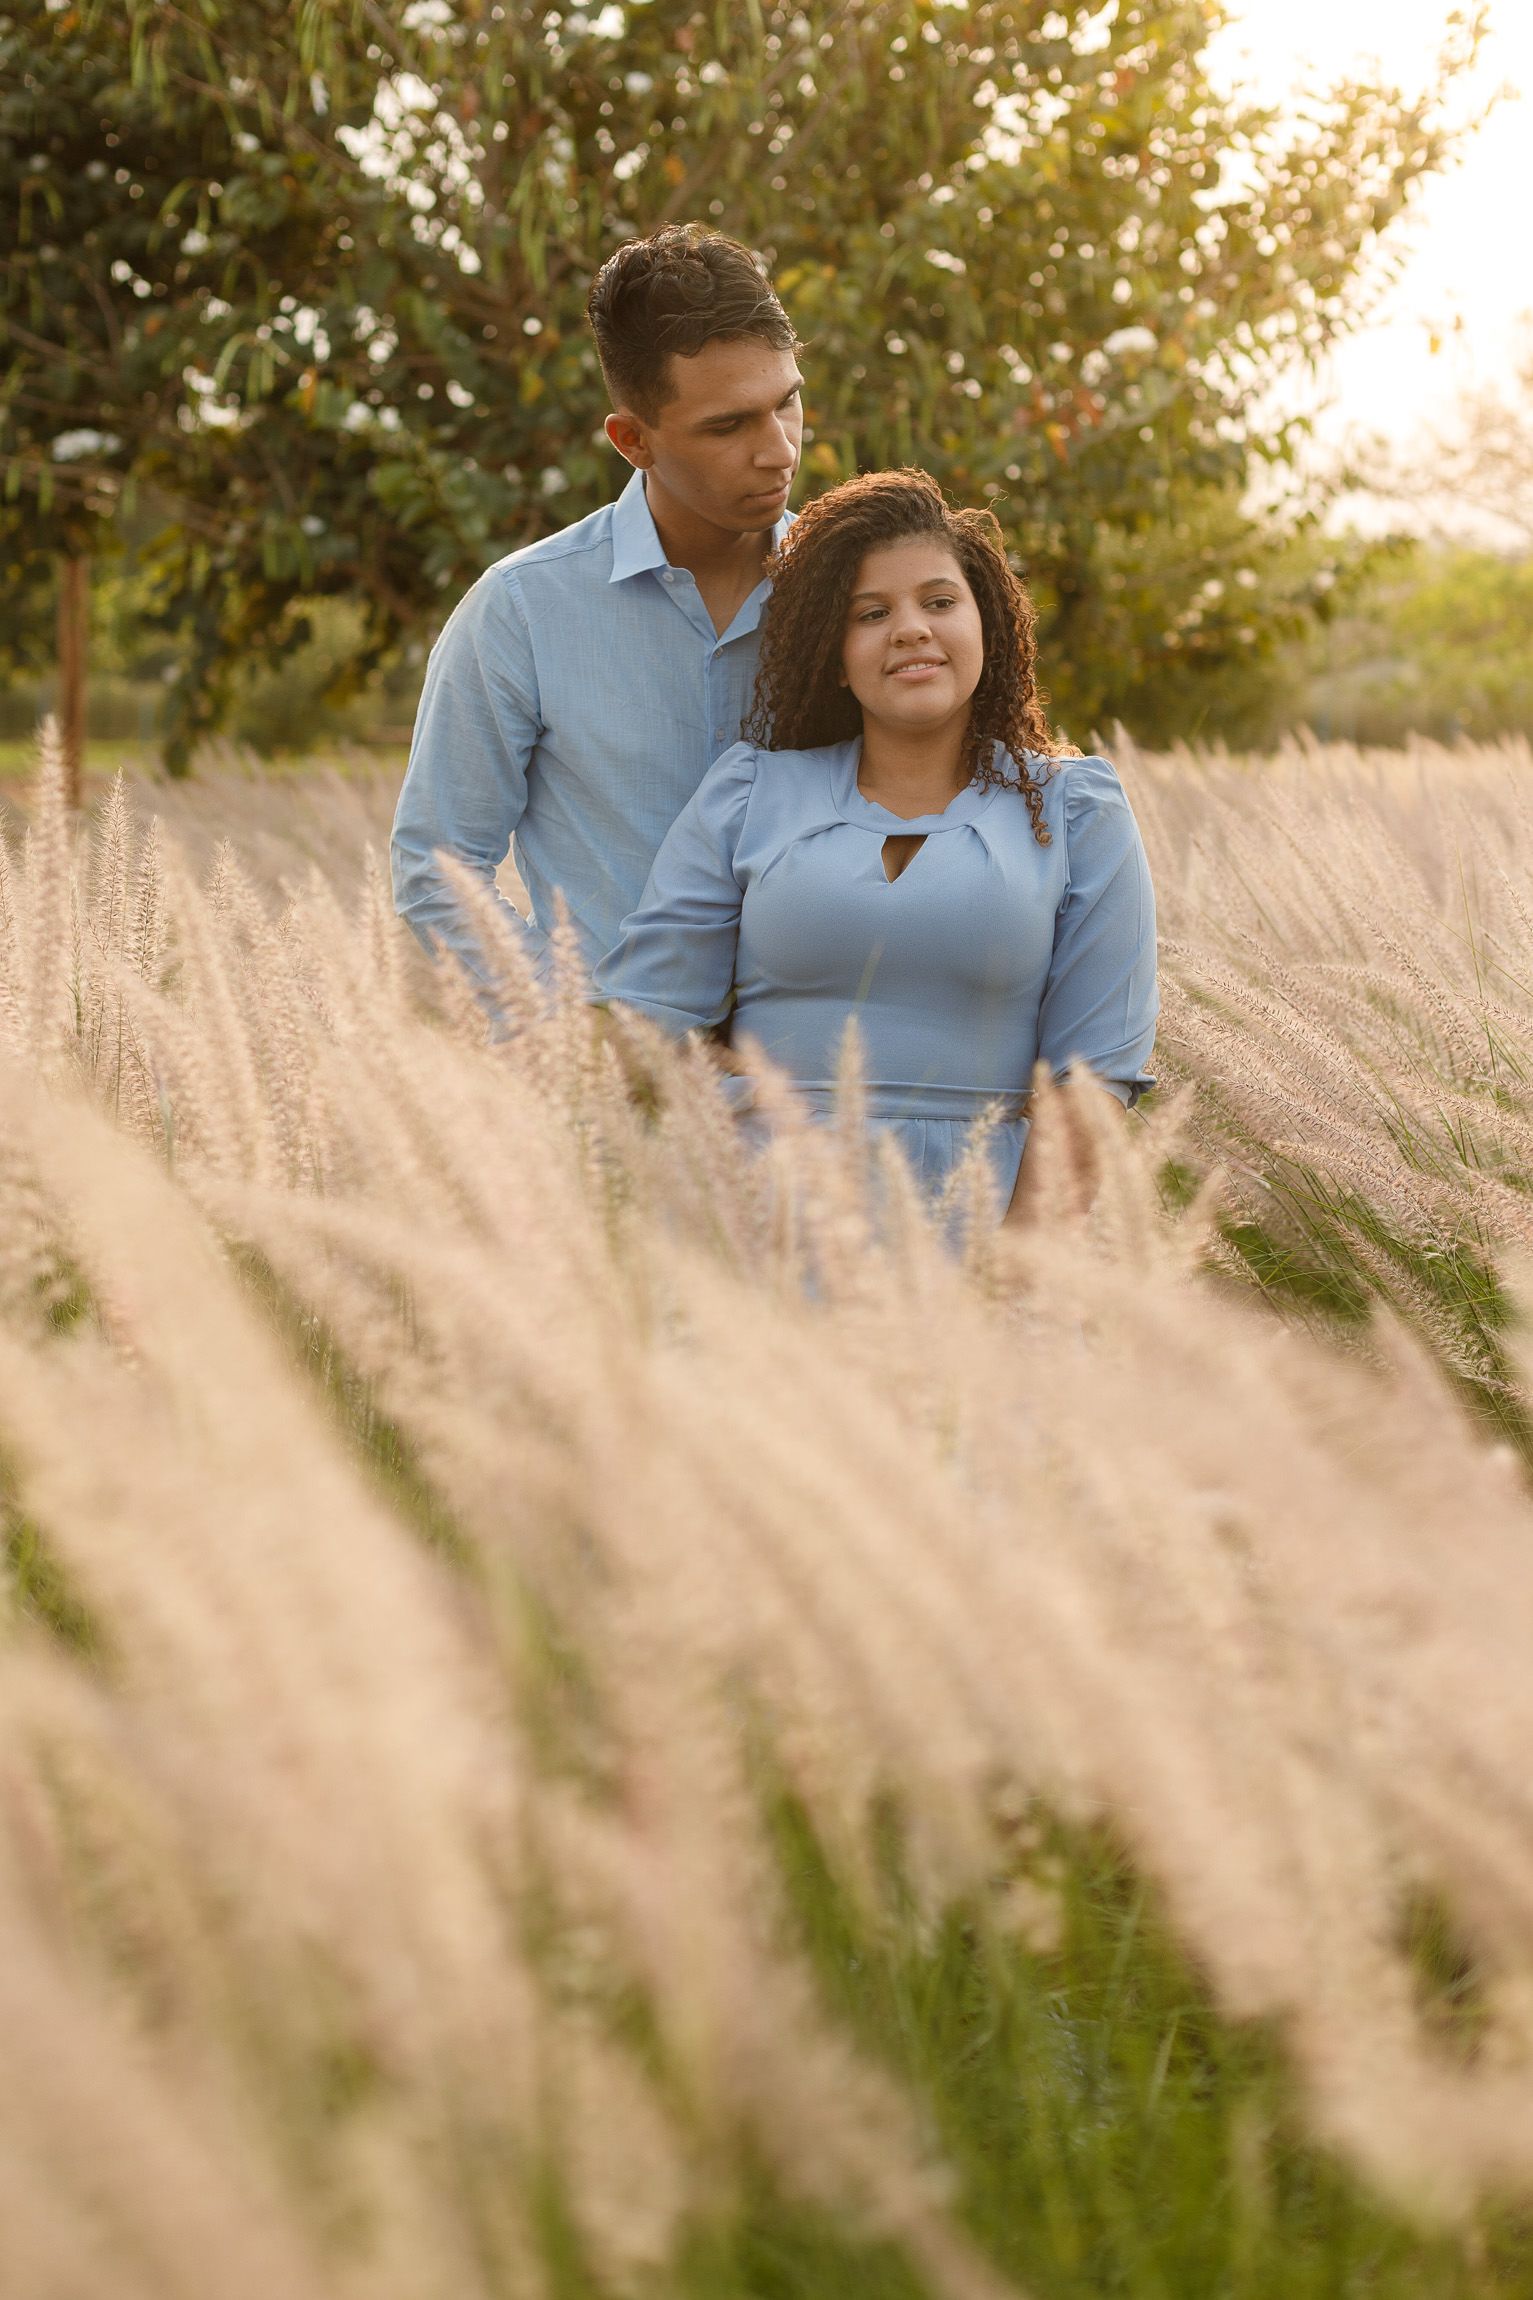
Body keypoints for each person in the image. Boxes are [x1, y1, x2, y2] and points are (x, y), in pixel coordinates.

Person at [593, 469, 1158, 1217]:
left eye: (938, 601)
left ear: (984, 621)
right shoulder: (749, 794)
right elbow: (644, 1019)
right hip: (758, 1216)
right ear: (833, 652)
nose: (910, 629)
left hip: (981, 1219)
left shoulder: (1076, 812)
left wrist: (1019, 1286)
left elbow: (1091, 1082)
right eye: (870, 613)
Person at [390, 226, 804, 984]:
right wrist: (577, 1037)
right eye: (729, 425)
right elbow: (436, 870)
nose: (778, 449)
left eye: (787, 404)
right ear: (631, 440)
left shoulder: (862, 596)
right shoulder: (520, 611)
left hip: (826, 1083)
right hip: (619, 1085)